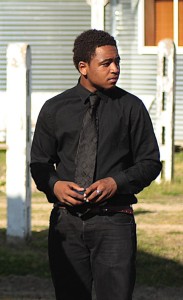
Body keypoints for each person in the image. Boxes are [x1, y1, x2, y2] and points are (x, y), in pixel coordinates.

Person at [30, 29, 162, 300]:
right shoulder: (55, 109)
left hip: (115, 223)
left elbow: (150, 162)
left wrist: (117, 182)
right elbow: (40, 163)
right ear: (83, 67)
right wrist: (55, 186)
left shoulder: (132, 108)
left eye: (118, 62)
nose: (115, 69)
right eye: (106, 63)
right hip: (66, 224)